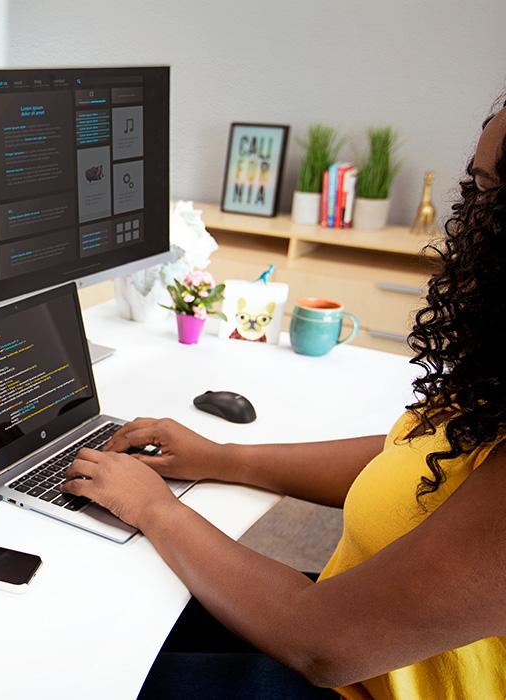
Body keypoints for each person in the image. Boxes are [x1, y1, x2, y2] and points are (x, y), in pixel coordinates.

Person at [60, 103, 506, 700]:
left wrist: (158, 510)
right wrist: (224, 458)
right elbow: (416, 458)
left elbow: (325, 642)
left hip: (344, 667)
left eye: (487, 191)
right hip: (345, 624)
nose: (465, 219)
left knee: (80, 668)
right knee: (116, 605)